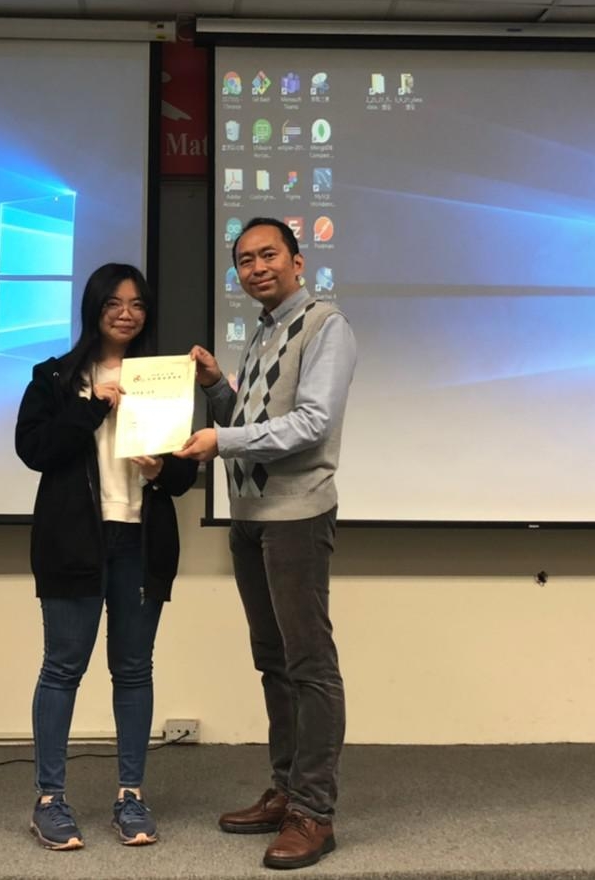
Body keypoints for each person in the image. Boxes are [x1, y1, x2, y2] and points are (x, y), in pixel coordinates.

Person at [178, 218, 357, 870]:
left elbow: (310, 425)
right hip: (250, 517)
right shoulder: (262, 332)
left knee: (309, 665)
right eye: (245, 260)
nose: (256, 268)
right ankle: (285, 791)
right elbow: (251, 423)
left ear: (297, 261)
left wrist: (219, 440)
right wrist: (215, 389)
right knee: (273, 662)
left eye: (268, 255)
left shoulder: (324, 326)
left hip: (296, 517)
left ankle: (315, 813)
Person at [15, 263, 198, 851]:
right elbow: (34, 449)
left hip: (140, 542)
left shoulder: (161, 378)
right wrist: (92, 405)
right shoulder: (55, 377)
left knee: (134, 669)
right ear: (93, 308)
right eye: (114, 302)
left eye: (137, 303)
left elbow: (185, 475)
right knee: (62, 667)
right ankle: (50, 799)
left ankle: (130, 796)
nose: (126, 313)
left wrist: (162, 468)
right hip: (74, 542)